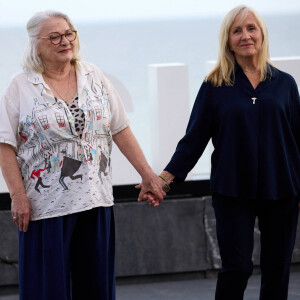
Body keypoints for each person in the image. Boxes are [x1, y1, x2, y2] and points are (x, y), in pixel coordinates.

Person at [138, 5, 300, 300]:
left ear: (262, 34)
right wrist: (163, 180)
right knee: (236, 268)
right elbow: (194, 140)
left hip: (282, 189)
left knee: (277, 270)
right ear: (227, 40)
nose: (245, 36)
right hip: (232, 190)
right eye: (236, 31)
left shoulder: (286, 85)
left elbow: (298, 140)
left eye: (251, 28)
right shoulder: (215, 86)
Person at [0, 10, 164, 300]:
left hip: (95, 200)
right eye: (54, 37)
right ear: (35, 45)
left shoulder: (94, 76)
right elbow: (4, 144)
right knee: (47, 291)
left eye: (69, 33)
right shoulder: (21, 86)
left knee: (96, 289)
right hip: (46, 208)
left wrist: (148, 174)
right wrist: (17, 196)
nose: (64, 41)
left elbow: (120, 128)